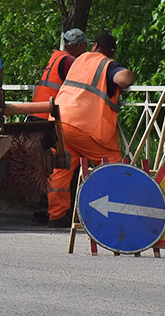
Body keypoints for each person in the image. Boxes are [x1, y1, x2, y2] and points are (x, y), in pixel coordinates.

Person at [46, 32, 135, 227]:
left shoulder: (79, 60)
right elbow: (124, 79)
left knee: (61, 168)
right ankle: (117, 211)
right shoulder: (106, 65)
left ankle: (57, 215)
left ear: (94, 46)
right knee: (112, 164)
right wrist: (130, 73)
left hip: (59, 121)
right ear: (111, 52)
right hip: (86, 127)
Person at [30, 28, 87, 223]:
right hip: (48, 117)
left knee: (40, 165)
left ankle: (39, 211)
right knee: (52, 165)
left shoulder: (56, 58)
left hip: (36, 114)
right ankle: (52, 211)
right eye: (84, 45)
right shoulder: (70, 62)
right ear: (78, 46)